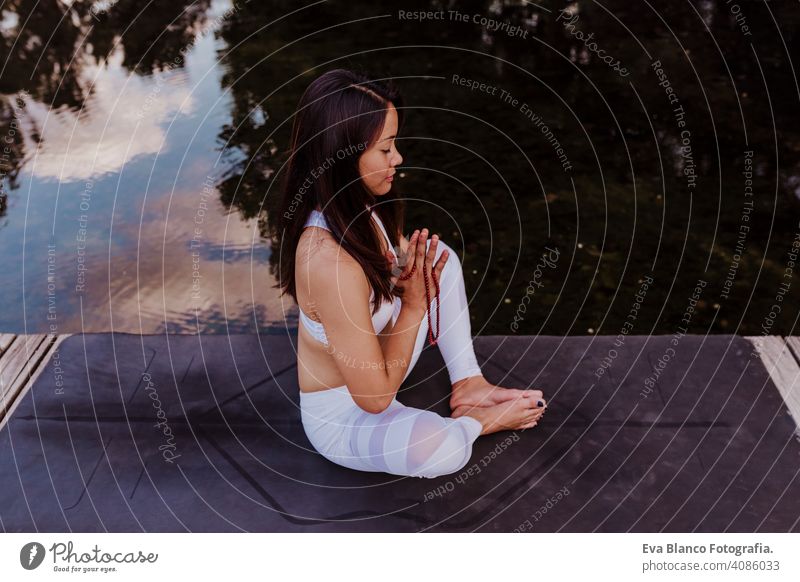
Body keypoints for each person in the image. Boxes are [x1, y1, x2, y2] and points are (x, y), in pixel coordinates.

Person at [272, 69, 546, 479]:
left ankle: (468, 384)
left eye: (394, 144)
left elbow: (410, 271)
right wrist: (415, 305)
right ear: (346, 156)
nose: (397, 158)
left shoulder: (362, 206)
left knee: (439, 260)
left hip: (380, 362)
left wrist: (418, 281)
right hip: (348, 415)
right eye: (385, 149)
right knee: (441, 452)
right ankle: (477, 421)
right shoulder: (328, 262)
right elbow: (375, 398)